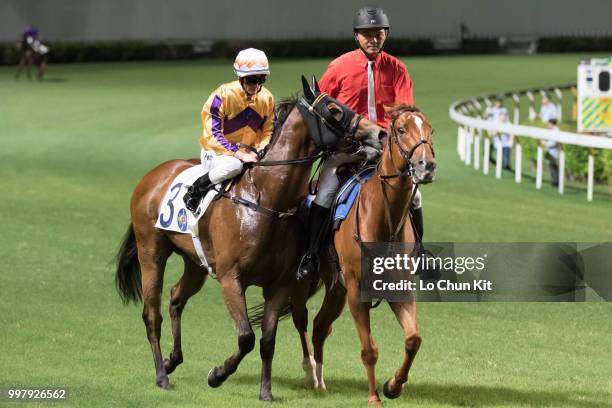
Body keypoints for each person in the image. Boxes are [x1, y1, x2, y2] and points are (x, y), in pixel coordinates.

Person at [297, 6, 418, 280]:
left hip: (385, 151)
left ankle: (418, 252)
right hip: (347, 150)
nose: (373, 39)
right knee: (326, 192)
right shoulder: (339, 67)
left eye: (378, 34)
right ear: (356, 36)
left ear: (386, 35)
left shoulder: (397, 69)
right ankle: (312, 254)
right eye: (367, 34)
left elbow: (405, 111)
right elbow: (321, 105)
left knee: (415, 195)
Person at [183, 48, 275, 213]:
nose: (256, 85)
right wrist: (239, 154)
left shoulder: (267, 98)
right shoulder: (222, 95)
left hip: (250, 154)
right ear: (240, 77)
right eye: (251, 79)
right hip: (217, 153)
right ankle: (196, 189)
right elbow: (213, 134)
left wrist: (259, 151)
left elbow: (268, 131)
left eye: (261, 79)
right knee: (233, 166)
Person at [545, 119, 560, 187]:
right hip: (551, 150)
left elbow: (553, 142)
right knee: (551, 166)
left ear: (552, 124)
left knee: (554, 167)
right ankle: (554, 181)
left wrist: (545, 144)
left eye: (548, 124)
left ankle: (555, 182)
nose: (547, 125)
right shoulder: (552, 130)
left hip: (554, 151)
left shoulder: (556, 131)